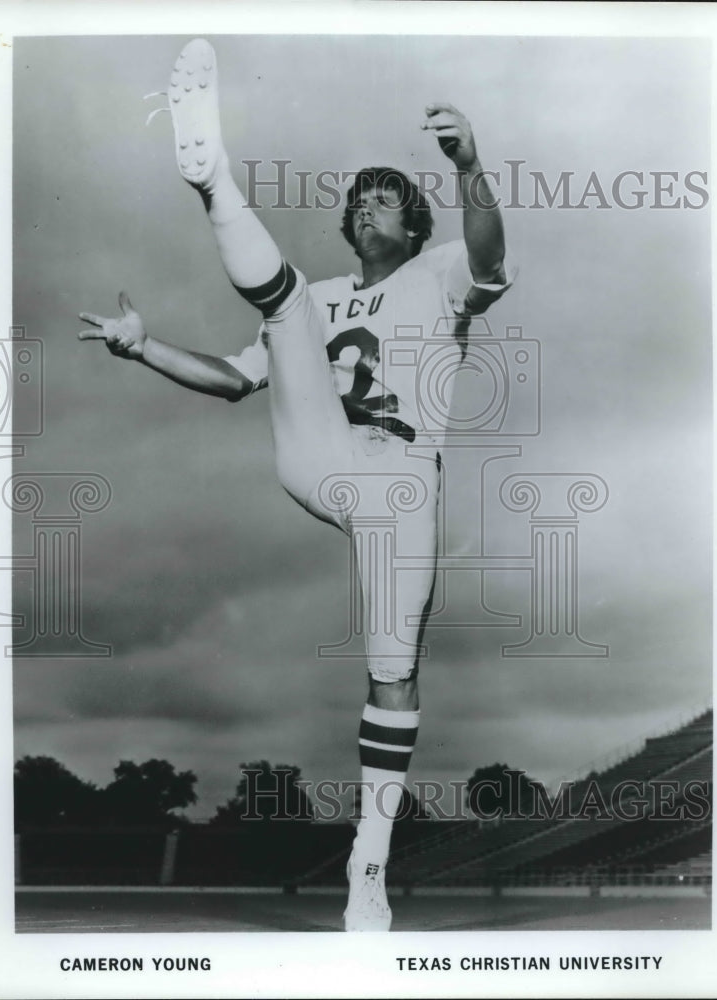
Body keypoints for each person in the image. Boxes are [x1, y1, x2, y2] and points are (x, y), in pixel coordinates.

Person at [79, 38, 511, 930]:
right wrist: (142, 345)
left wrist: (470, 164)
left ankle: (367, 867)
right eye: (358, 201)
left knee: (393, 672)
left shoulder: (439, 274)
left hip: (399, 482)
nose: (367, 209)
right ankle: (213, 181)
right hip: (321, 454)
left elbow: (488, 252)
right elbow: (238, 380)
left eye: (386, 199)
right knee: (283, 304)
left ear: (415, 224)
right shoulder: (317, 293)